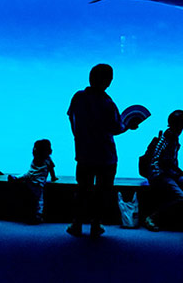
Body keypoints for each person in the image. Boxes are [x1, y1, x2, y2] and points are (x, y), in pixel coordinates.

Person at [66, 63, 137, 237]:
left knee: (83, 189)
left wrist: (79, 137)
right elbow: (115, 128)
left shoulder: (78, 97)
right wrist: (128, 125)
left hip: (84, 153)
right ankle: (95, 224)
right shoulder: (107, 103)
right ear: (107, 81)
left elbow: (71, 117)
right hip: (105, 156)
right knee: (102, 192)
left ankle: (76, 223)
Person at [143, 110, 183, 232]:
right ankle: (153, 217)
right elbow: (166, 162)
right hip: (159, 174)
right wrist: (180, 172)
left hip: (168, 172)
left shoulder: (171, 135)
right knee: (181, 197)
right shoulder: (170, 137)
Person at [8, 139, 58, 224]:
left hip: (29, 179)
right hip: (38, 183)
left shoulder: (35, 159)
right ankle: (38, 215)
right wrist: (53, 178)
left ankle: (16, 178)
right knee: (39, 200)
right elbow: (51, 170)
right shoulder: (48, 160)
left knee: (26, 174)